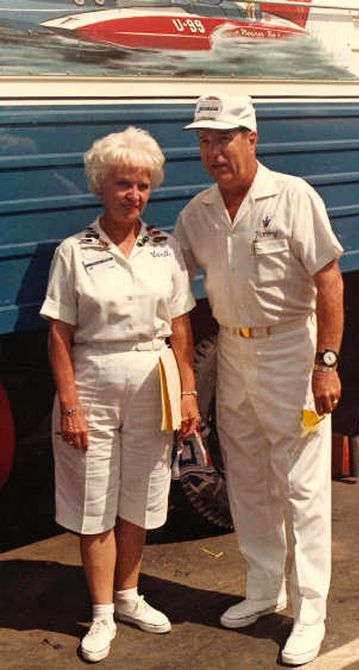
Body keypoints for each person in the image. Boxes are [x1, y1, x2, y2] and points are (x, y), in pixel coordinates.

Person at [174, 93, 344, 666]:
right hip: (232, 354)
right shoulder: (198, 211)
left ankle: (311, 609)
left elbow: (329, 280)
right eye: (204, 140)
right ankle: (264, 586)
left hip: (292, 354)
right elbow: (169, 274)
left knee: (300, 487)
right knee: (247, 479)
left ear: (252, 138)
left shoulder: (292, 195)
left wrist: (327, 363)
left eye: (224, 138)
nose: (213, 151)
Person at [40, 126, 199, 663]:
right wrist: (70, 404)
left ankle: (130, 597)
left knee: (142, 494)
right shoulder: (74, 252)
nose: (134, 195)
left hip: (154, 377)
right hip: (94, 377)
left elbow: (179, 326)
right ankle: (102, 612)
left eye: (143, 185)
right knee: (94, 502)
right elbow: (59, 334)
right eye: (124, 184)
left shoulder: (164, 247)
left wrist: (189, 392)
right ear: (101, 187)